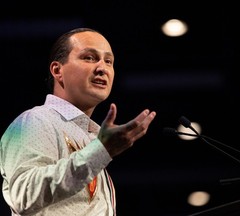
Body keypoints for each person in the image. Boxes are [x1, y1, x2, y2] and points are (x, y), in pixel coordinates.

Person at [0, 27, 156, 216]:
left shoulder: (90, 137)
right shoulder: (35, 121)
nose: (102, 68)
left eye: (109, 61)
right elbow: (24, 195)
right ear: (57, 70)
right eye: (89, 58)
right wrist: (101, 152)